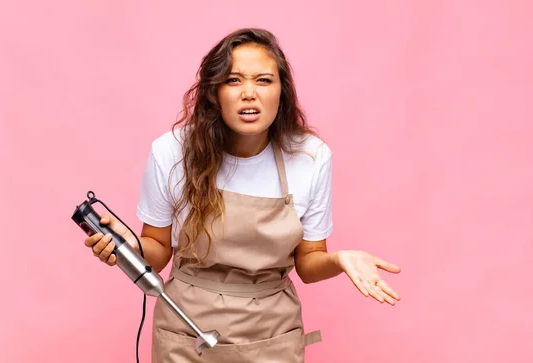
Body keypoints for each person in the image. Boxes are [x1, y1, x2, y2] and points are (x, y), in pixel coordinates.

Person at [84, 27, 401, 362]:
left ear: (282, 92)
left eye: (263, 80)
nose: (249, 93)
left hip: (272, 332)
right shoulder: (171, 152)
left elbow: (308, 264)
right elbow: (159, 250)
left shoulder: (311, 156)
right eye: (233, 80)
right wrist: (130, 247)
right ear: (214, 92)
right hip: (185, 331)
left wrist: (339, 259)